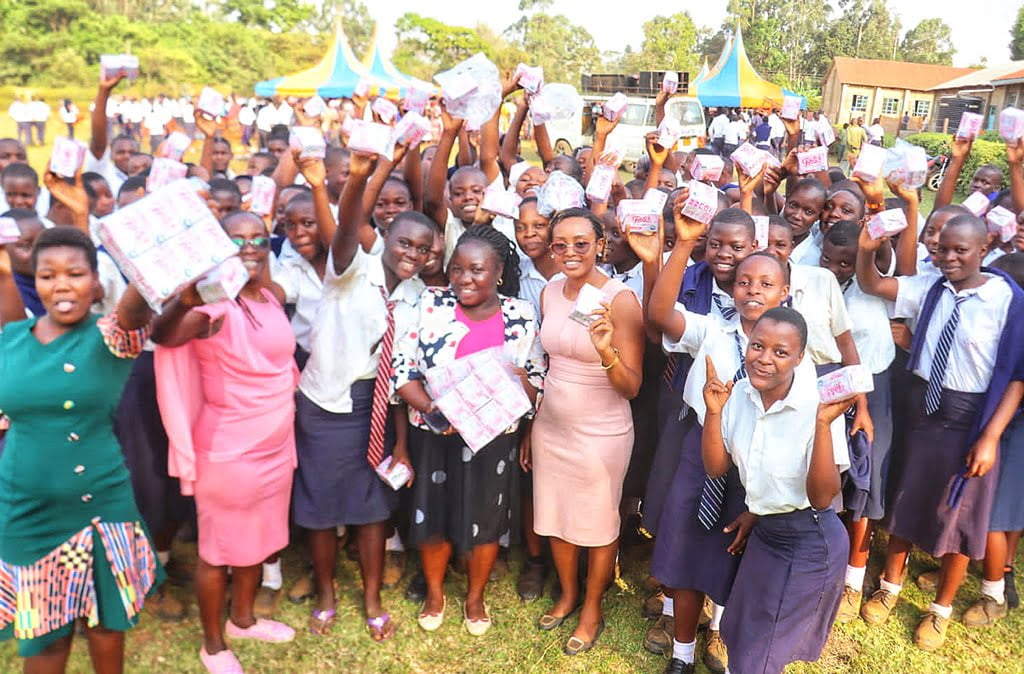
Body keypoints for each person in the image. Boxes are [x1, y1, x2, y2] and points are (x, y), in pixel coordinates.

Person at [855, 214, 1024, 651]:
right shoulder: (931, 287)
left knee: (960, 516)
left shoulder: (1007, 300)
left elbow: (1017, 377)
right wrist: (866, 246)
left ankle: (941, 609)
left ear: (984, 248)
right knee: (906, 500)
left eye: (960, 251)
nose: (948, 258)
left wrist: (990, 437)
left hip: (972, 421)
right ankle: (890, 586)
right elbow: (874, 284)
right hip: (925, 412)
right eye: (942, 249)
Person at [0, 226, 164, 672]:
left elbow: (138, 299)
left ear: (96, 282)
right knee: (43, 639)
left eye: (75, 274)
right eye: (48, 275)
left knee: (105, 627)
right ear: (34, 282)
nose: (62, 286)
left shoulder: (110, 336)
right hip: (26, 512)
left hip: (99, 509)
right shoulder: (10, 340)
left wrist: (174, 229)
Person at [289, 149, 434, 642]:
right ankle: (328, 593)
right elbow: (346, 225)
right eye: (404, 243)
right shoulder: (352, 270)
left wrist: (399, 443)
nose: (411, 255)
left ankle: (371, 598)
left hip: (373, 409)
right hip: (325, 405)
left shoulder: (415, 299)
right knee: (322, 507)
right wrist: (355, 178)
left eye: (422, 249)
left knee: (372, 508)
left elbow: (399, 374)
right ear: (385, 236)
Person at [152, 210, 300, 673]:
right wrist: (186, 300)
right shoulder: (213, 307)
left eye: (258, 237)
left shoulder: (268, 298)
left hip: (277, 444)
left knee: (259, 538)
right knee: (218, 551)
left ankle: (243, 619)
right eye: (237, 238)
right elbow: (164, 335)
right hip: (230, 451)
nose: (250, 246)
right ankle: (213, 644)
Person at [394, 225, 544, 637]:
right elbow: (402, 371)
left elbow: (537, 376)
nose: (463, 279)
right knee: (433, 515)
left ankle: (475, 596)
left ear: (498, 272)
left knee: (487, 518)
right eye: (456, 269)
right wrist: (433, 409)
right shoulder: (430, 303)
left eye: (476, 270)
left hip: (495, 438)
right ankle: (436, 593)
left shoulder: (521, 315)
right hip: (435, 435)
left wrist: (519, 384)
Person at [702, 307, 851, 674]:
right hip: (767, 534)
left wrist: (821, 426)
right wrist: (714, 413)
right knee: (739, 631)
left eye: (780, 352)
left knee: (760, 653)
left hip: (809, 542)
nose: (764, 359)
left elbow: (821, 497)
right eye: (757, 346)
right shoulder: (740, 395)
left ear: (800, 358)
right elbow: (717, 468)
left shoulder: (817, 406)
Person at [529, 208, 645, 655]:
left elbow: (631, 385)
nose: (570, 252)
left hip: (602, 433)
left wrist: (605, 353)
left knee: (598, 523)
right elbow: (547, 359)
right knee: (555, 515)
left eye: (581, 243)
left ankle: (592, 607)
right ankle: (567, 593)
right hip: (551, 427)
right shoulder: (550, 292)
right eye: (561, 244)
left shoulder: (619, 299)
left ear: (601, 244)